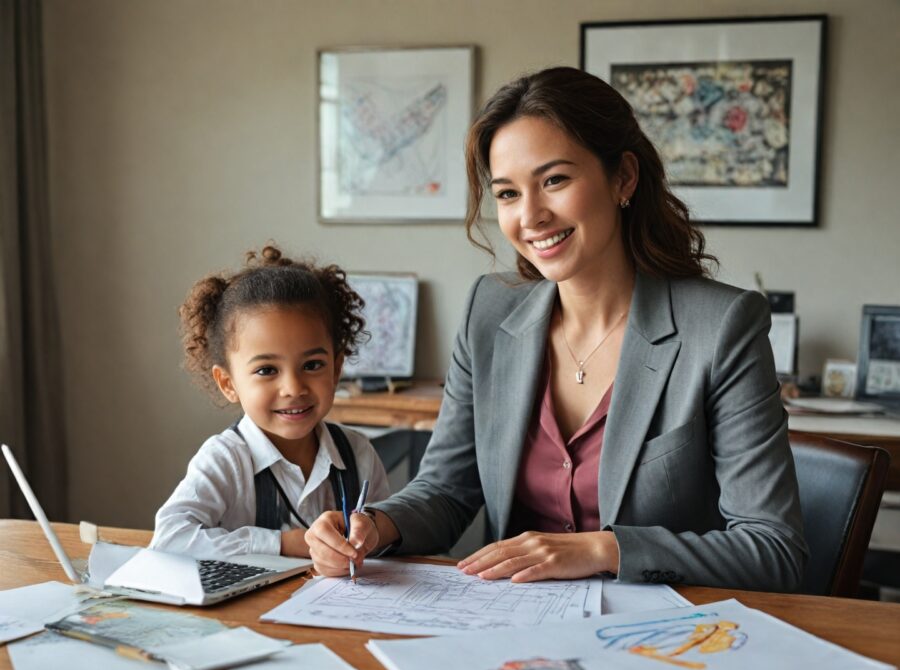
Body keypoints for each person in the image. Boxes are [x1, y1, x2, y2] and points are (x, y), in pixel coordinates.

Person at [305, 67, 807, 591]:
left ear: (624, 179)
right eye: (507, 194)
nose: (531, 216)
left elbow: (773, 549)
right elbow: (448, 490)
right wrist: (371, 527)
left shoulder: (721, 327)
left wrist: (600, 549)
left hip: (663, 639)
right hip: (516, 627)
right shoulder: (488, 310)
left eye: (555, 181)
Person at [151, 245, 389, 558]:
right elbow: (169, 539)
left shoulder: (359, 454)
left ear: (336, 368)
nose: (293, 388)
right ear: (228, 383)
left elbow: (388, 535)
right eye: (267, 370)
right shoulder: (226, 459)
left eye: (313, 365)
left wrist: (370, 540)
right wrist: (284, 544)